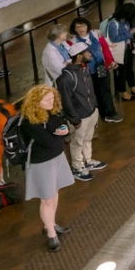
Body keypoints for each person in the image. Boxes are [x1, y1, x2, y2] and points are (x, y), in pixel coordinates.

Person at [19, 86, 74, 252]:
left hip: (56, 158)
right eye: (48, 100)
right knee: (46, 199)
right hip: (41, 163)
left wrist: (62, 131)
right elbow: (48, 141)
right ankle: (51, 234)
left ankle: (51, 223)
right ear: (36, 103)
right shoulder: (28, 122)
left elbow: (62, 128)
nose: (52, 102)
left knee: (54, 192)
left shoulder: (51, 112)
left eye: (53, 98)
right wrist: (59, 132)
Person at [57, 43, 107, 181]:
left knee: (87, 139)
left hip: (90, 112)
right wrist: (74, 119)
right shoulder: (66, 77)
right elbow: (65, 101)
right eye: (87, 52)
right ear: (79, 56)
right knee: (77, 142)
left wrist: (94, 107)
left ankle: (88, 161)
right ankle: (77, 167)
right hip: (79, 117)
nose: (90, 54)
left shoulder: (83, 70)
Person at [67, 18, 123, 123]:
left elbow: (105, 48)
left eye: (82, 26)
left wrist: (111, 61)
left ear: (87, 26)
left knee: (105, 90)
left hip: (101, 66)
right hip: (87, 70)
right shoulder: (72, 41)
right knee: (94, 92)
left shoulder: (96, 34)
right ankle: (101, 113)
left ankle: (110, 113)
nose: (81, 29)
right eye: (78, 27)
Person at [106, 5, 135, 101]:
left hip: (128, 47)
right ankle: (123, 92)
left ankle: (133, 87)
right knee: (122, 72)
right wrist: (130, 33)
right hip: (120, 50)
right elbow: (114, 38)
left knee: (129, 69)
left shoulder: (125, 21)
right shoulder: (113, 23)